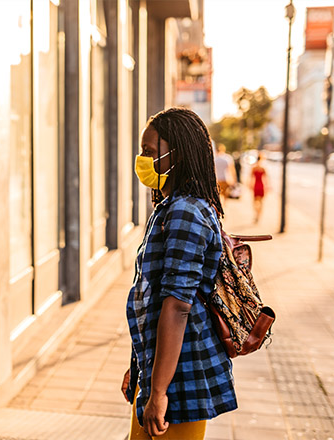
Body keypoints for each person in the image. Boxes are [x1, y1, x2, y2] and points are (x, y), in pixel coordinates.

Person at [122, 108, 237, 439]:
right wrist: (141, 366)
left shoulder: (186, 210)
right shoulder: (172, 206)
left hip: (179, 382)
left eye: (150, 152)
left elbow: (177, 305)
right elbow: (155, 302)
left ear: (179, 154)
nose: (142, 160)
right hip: (165, 372)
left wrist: (158, 392)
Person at [250, 152, 269, 223]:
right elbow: (266, 179)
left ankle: (257, 213)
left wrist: (250, 185)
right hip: (261, 185)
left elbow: (251, 178)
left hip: (256, 185)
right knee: (261, 201)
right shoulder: (263, 168)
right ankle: (259, 213)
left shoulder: (254, 168)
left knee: (255, 201)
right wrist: (267, 187)